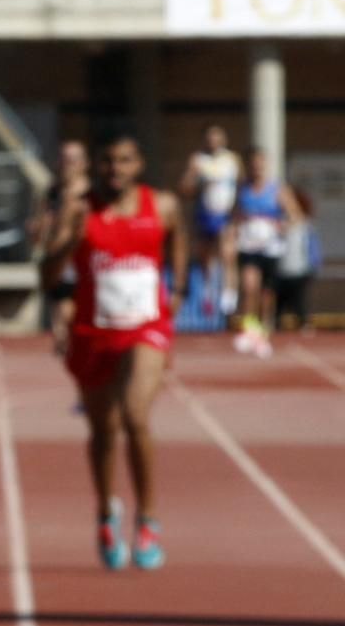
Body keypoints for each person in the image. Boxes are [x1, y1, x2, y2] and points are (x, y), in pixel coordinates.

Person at [42, 130, 188, 571]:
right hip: (94, 331)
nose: (115, 170)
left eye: (124, 161)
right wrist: (71, 239)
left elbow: (177, 238)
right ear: (95, 166)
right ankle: (107, 510)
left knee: (134, 415)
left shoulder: (161, 205)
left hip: (147, 327)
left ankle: (148, 517)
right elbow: (47, 277)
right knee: (103, 430)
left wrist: (176, 286)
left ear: (138, 164)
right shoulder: (78, 209)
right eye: (108, 162)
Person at [230, 146, 303, 358]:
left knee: (266, 294)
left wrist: (281, 225)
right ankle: (248, 329)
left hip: (270, 248)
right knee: (248, 285)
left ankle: (262, 331)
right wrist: (236, 227)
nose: (257, 167)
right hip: (248, 246)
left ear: (265, 164)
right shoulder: (241, 188)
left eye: (260, 163)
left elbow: (296, 215)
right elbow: (234, 214)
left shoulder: (277, 189)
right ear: (248, 165)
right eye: (252, 164)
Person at [34, 140, 91, 354]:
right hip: (56, 255)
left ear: (84, 163)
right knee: (59, 306)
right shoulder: (52, 192)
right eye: (64, 158)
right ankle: (66, 344)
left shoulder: (90, 193)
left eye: (73, 159)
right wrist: (39, 227)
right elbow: (40, 223)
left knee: (72, 307)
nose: (68, 164)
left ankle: (73, 342)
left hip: (79, 256)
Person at [180, 123, 241, 317]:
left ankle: (228, 298)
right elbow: (185, 188)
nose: (214, 141)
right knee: (205, 257)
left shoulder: (232, 160)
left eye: (217, 137)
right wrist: (195, 177)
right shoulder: (198, 160)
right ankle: (207, 292)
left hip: (225, 214)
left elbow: (242, 187)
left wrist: (236, 215)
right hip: (205, 213)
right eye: (210, 137)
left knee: (227, 254)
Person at [276, 187, 320, 332]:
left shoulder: (303, 222)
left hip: (299, 270)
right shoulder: (279, 220)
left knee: (299, 305)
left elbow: (296, 217)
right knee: (277, 308)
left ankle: (305, 329)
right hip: (281, 270)